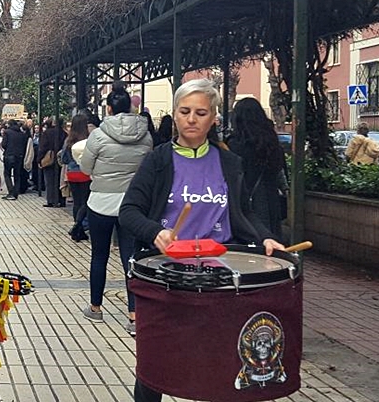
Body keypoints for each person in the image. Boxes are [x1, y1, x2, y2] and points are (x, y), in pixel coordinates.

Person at [118, 79, 285, 402]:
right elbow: (129, 212)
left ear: (213, 119)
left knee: (222, 360)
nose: (191, 119)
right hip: (167, 274)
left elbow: (244, 212)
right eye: (184, 111)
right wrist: (156, 232)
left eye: (200, 112)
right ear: (176, 116)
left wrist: (266, 237)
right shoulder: (158, 160)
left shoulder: (229, 162)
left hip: (218, 276)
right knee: (157, 363)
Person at [79, 84, 152, 336]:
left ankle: (95, 307)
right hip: (133, 205)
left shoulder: (98, 135)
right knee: (130, 258)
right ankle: (134, 315)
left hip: (100, 201)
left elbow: (86, 168)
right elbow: (147, 171)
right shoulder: (146, 136)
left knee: (99, 256)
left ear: (108, 108)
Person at [227, 98, 289, 243]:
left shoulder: (234, 145)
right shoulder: (271, 142)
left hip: (245, 204)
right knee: (269, 241)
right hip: (270, 201)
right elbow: (280, 173)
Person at [62, 113, 92, 241]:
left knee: (76, 201)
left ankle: (76, 225)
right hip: (85, 173)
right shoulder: (89, 139)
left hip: (72, 173)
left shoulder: (69, 140)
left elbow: (64, 158)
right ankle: (79, 225)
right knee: (85, 202)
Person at [39, 116, 66, 208]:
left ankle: (51, 200)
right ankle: (61, 200)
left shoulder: (47, 133)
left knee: (49, 181)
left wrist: (39, 159)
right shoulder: (64, 133)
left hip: (49, 158)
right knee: (59, 179)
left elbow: (42, 147)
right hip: (60, 159)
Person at [1, 120, 28, 200]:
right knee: (17, 175)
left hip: (9, 155)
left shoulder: (7, 132)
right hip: (19, 156)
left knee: (7, 174)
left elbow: (4, 144)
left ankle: (11, 192)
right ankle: (16, 193)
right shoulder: (22, 134)